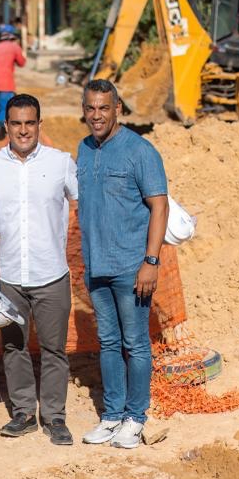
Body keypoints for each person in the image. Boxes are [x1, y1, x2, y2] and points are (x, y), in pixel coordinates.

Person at [77, 79, 168, 450]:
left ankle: (135, 416)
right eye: (90, 108)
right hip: (97, 267)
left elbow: (159, 205)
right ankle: (112, 415)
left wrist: (151, 262)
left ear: (118, 109)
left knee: (136, 342)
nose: (96, 115)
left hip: (132, 268)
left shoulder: (140, 151)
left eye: (104, 108)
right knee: (108, 342)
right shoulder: (83, 150)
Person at [0, 94, 78, 445]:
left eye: (30, 123)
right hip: (8, 275)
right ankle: (24, 412)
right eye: (16, 123)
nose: (23, 130)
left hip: (51, 273)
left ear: (40, 125)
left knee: (55, 349)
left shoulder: (61, 163)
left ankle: (54, 416)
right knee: (14, 347)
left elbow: (85, 200)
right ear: (6, 126)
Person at [0, 26, 26, 140]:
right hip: (6, 84)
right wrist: (21, 49)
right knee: (5, 110)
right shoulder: (14, 47)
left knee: (5, 108)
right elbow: (22, 62)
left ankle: (5, 133)